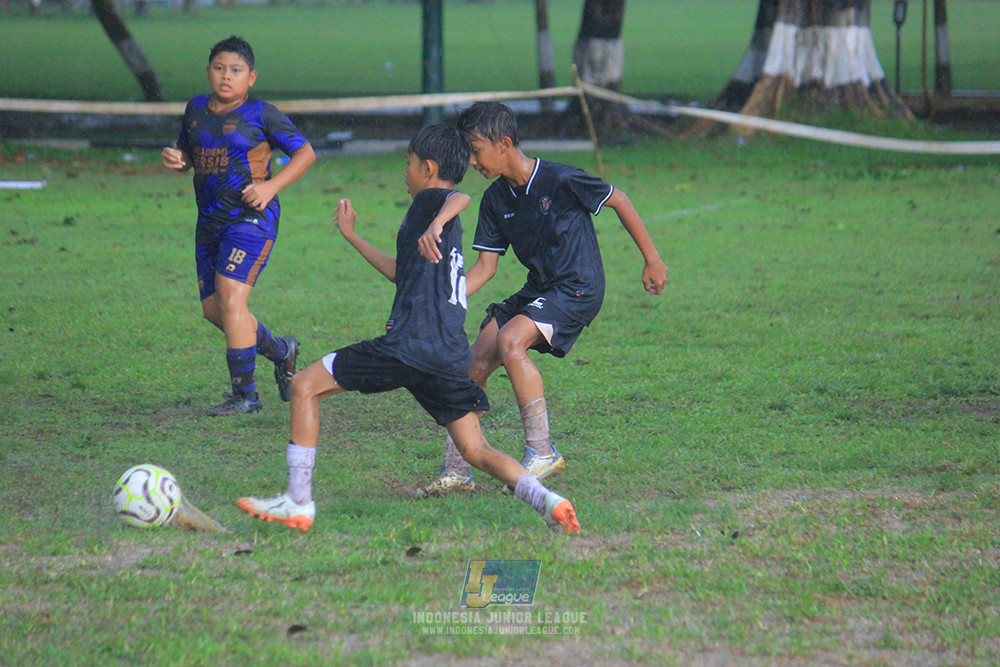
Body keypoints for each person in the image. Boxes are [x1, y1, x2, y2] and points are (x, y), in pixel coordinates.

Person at [236, 125, 581, 535]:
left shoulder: (430, 202)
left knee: (304, 386)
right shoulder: (432, 225)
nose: (404, 172)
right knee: (476, 450)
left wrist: (438, 219)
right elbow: (403, 274)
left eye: (408, 163)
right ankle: (550, 502)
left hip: (408, 346)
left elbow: (460, 196)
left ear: (428, 167)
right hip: (449, 356)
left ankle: (297, 501)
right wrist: (352, 237)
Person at [416, 101, 668, 497]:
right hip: (541, 289)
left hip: (578, 287)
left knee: (511, 340)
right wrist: (442, 298)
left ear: (504, 144)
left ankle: (542, 451)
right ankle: (457, 469)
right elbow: (485, 269)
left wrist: (652, 261)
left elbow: (619, 200)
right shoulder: (496, 201)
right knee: (475, 359)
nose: (472, 161)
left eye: (477, 150)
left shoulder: (561, 179)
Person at [161, 35, 316, 416]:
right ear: (208, 71)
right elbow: (190, 153)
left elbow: (306, 152)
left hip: (251, 218)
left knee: (231, 299)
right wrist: (178, 159)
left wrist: (270, 186)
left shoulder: (262, 113)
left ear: (251, 77)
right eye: (219, 68)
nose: (225, 77)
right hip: (209, 222)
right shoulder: (195, 109)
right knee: (217, 311)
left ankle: (245, 395)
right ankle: (282, 351)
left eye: (235, 71)